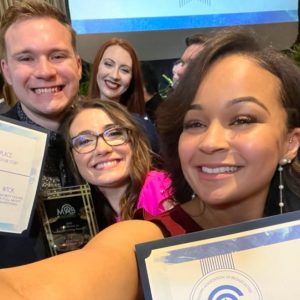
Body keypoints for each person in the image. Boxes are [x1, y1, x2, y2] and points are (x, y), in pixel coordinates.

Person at [0, 28, 300, 299]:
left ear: (291, 141)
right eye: (195, 123)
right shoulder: (147, 238)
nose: (210, 142)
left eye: (242, 119)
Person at [0, 0, 82, 267]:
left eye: (57, 56)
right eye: (26, 58)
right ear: (7, 71)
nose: (45, 72)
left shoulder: (126, 136)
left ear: (78, 66)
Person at [60, 98, 173, 230]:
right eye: (85, 141)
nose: (102, 149)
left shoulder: (163, 191)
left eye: (113, 133)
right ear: (72, 157)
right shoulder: (86, 218)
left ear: (134, 142)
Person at [88, 37, 159, 153]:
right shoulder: (77, 116)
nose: (115, 75)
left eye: (125, 70)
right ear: (97, 66)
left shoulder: (141, 127)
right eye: (108, 64)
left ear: (132, 78)